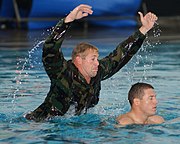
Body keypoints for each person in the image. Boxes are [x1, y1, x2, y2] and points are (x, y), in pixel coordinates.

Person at [25, 4, 158, 122]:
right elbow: (50, 48)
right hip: (39, 124)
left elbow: (121, 54)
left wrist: (143, 30)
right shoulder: (63, 72)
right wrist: (68, 20)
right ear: (78, 60)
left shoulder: (98, 72)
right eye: (92, 59)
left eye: (97, 59)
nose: (97, 63)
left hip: (71, 125)